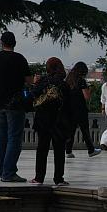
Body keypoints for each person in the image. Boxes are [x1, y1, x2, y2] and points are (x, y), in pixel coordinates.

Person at [0, 32, 32, 183]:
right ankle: (9, 172)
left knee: (1, 138)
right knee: (14, 138)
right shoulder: (19, 59)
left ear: (1, 42)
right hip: (15, 104)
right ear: (15, 43)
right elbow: (28, 81)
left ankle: (2, 171)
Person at [30, 57, 72, 186]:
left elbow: (33, 96)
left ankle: (39, 177)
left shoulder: (43, 81)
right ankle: (58, 178)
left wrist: (34, 84)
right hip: (59, 121)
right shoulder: (63, 84)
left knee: (42, 149)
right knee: (59, 151)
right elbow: (69, 104)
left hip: (43, 119)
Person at [64, 62, 102, 159]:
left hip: (69, 110)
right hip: (80, 109)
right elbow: (86, 96)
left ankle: (68, 151)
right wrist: (90, 89)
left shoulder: (68, 81)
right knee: (85, 130)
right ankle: (91, 150)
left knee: (70, 131)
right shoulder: (81, 81)